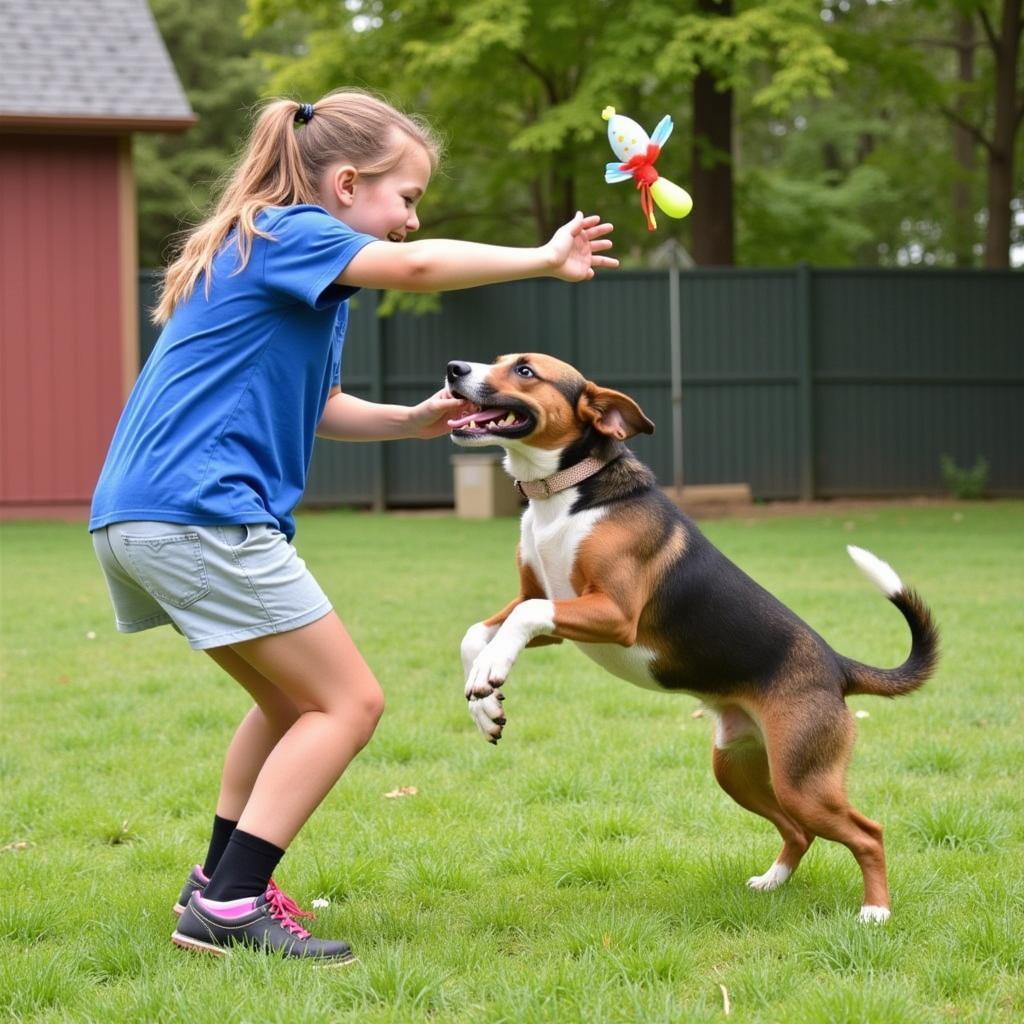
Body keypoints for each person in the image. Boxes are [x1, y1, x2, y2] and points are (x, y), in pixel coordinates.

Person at [89, 88, 616, 963]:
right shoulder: (286, 233)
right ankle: (230, 908)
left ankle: (216, 884)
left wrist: (412, 420)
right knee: (350, 703)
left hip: (139, 516)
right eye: (405, 197)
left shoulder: (275, 262)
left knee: (290, 702)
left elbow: (322, 406)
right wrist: (543, 255)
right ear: (343, 184)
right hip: (200, 511)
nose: (411, 220)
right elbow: (411, 269)